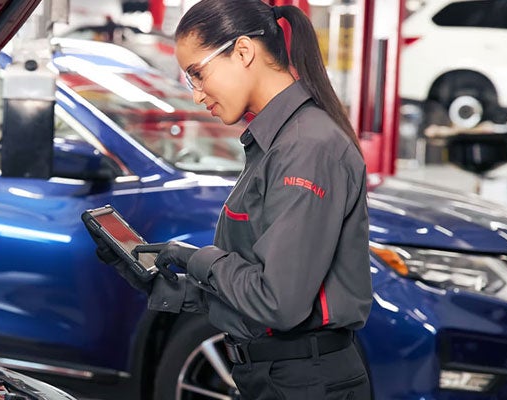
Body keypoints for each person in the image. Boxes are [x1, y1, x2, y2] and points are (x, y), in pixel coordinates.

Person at [86, 0, 373, 398]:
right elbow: (256, 287)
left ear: (243, 51)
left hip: (305, 383)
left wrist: (196, 258)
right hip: (279, 377)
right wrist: (168, 287)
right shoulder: (277, 142)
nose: (197, 94)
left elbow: (279, 303)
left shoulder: (306, 148)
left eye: (198, 74)